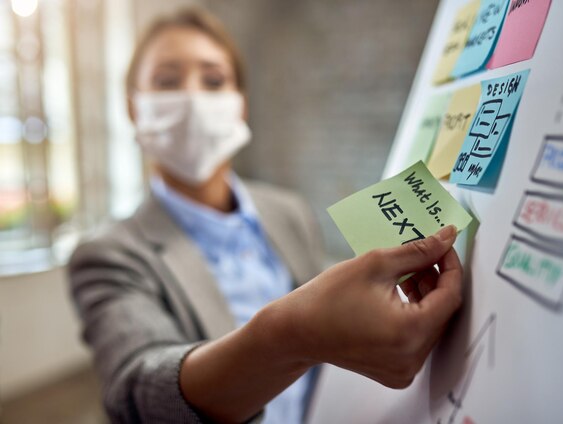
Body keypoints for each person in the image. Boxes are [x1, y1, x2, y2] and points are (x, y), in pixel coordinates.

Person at [68, 7, 464, 424]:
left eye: (214, 80)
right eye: (167, 81)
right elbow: (141, 394)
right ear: (133, 109)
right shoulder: (107, 254)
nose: (193, 98)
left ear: (240, 105)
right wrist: (296, 335)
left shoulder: (286, 211)